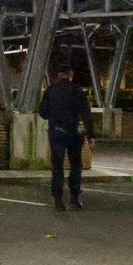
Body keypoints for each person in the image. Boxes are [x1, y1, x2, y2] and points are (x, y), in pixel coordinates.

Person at [39, 63, 94, 211]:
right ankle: (74, 198)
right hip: (73, 133)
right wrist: (90, 136)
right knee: (75, 165)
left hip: (56, 132)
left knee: (57, 166)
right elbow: (86, 114)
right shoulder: (77, 90)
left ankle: (58, 200)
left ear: (58, 75)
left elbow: (43, 113)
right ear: (70, 75)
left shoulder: (50, 90)